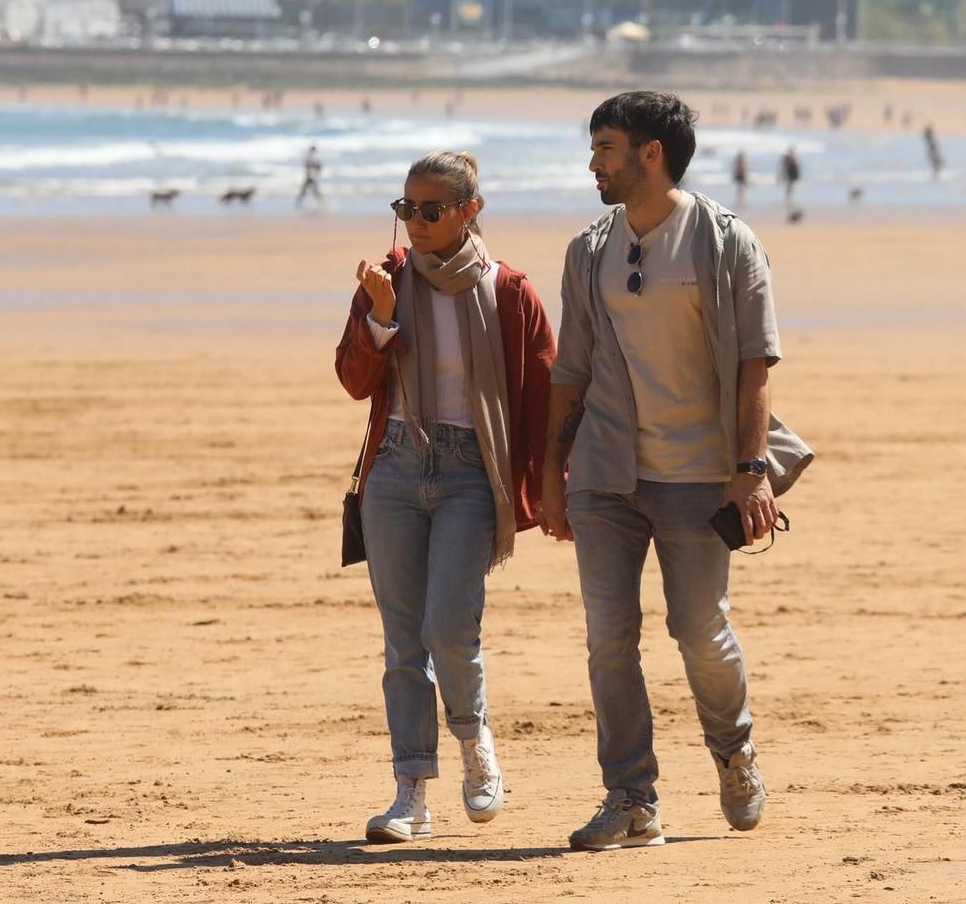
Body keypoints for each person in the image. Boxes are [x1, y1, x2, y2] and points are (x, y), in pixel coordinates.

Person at [540, 91, 813, 850]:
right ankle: (631, 796)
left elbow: (754, 363)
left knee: (699, 628)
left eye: (605, 147)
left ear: (650, 153)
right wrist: (552, 470)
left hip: (700, 473)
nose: (593, 161)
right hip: (606, 470)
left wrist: (751, 469)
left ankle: (734, 750)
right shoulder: (589, 249)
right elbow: (572, 368)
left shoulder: (725, 242)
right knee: (607, 635)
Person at [334, 151, 556, 843]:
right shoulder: (387, 280)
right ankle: (410, 792)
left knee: (449, 630)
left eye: (432, 209)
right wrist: (381, 316)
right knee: (404, 643)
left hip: (470, 470)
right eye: (406, 209)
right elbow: (352, 378)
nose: (417, 222)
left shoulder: (508, 290)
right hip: (395, 468)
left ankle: (474, 740)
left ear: (470, 211)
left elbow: (544, 399)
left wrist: (551, 487)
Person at [297, 143, 325, 208]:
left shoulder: (313, 157)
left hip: (311, 176)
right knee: (310, 191)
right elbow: (310, 165)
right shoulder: (311, 157)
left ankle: (321, 203)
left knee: (309, 191)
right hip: (310, 176)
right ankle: (321, 203)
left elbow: (318, 167)